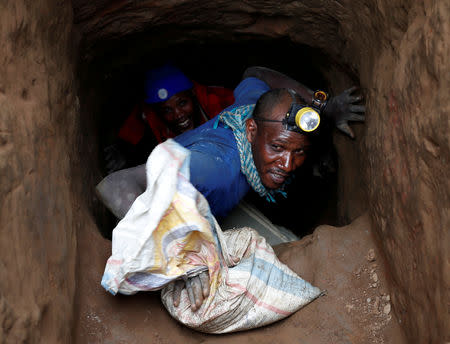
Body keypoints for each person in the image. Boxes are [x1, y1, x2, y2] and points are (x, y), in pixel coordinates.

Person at [96, 66, 365, 310]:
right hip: (179, 209)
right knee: (286, 262)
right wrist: (183, 260)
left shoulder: (252, 104)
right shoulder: (218, 171)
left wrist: (325, 108)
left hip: (201, 191)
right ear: (251, 131)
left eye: (300, 151)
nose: (288, 164)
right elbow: (115, 186)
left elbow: (255, 74)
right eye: (277, 148)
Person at [104, 63, 235, 173]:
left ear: (193, 94)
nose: (178, 114)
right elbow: (134, 126)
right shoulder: (150, 114)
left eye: (182, 103)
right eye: (167, 110)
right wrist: (122, 150)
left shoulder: (216, 101)